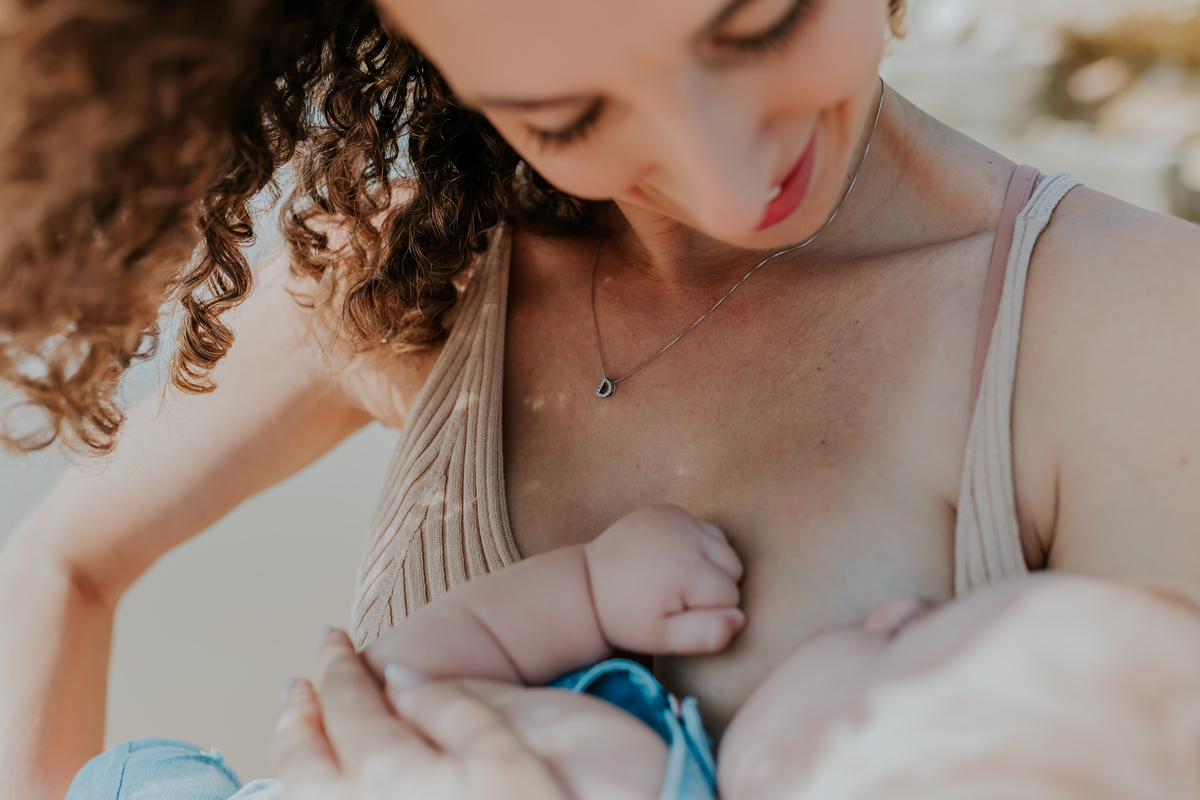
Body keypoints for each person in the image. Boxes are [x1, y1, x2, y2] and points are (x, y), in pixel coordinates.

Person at [4, 0, 1200, 795]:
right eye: (567, 117)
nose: (726, 177)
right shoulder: (419, 262)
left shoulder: (1129, 333)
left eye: (759, 20)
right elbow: (59, 564)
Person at [69, 505, 1200, 799]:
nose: (896, 608)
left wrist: (591, 589)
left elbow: (401, 672)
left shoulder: (619, 769)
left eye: (914, 649)